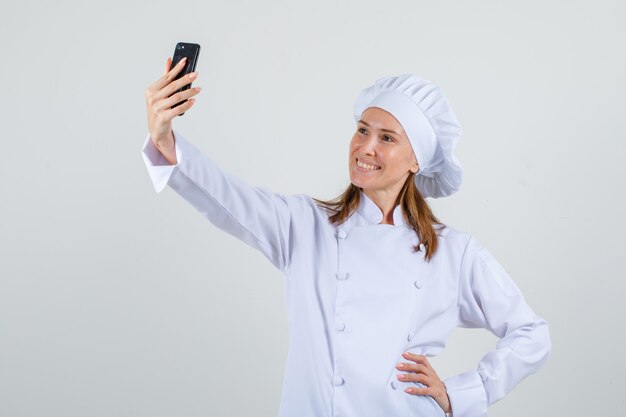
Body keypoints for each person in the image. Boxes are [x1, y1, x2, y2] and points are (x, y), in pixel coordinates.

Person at [141, 58, 551, 417]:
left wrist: (460, 394)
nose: (365, 148)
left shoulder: (453, 253)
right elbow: (227, 198)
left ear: (418, 160)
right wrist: (164, 139)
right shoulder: (304, 226)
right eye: (362, 130)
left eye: (387, 137)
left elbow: (531, 334)